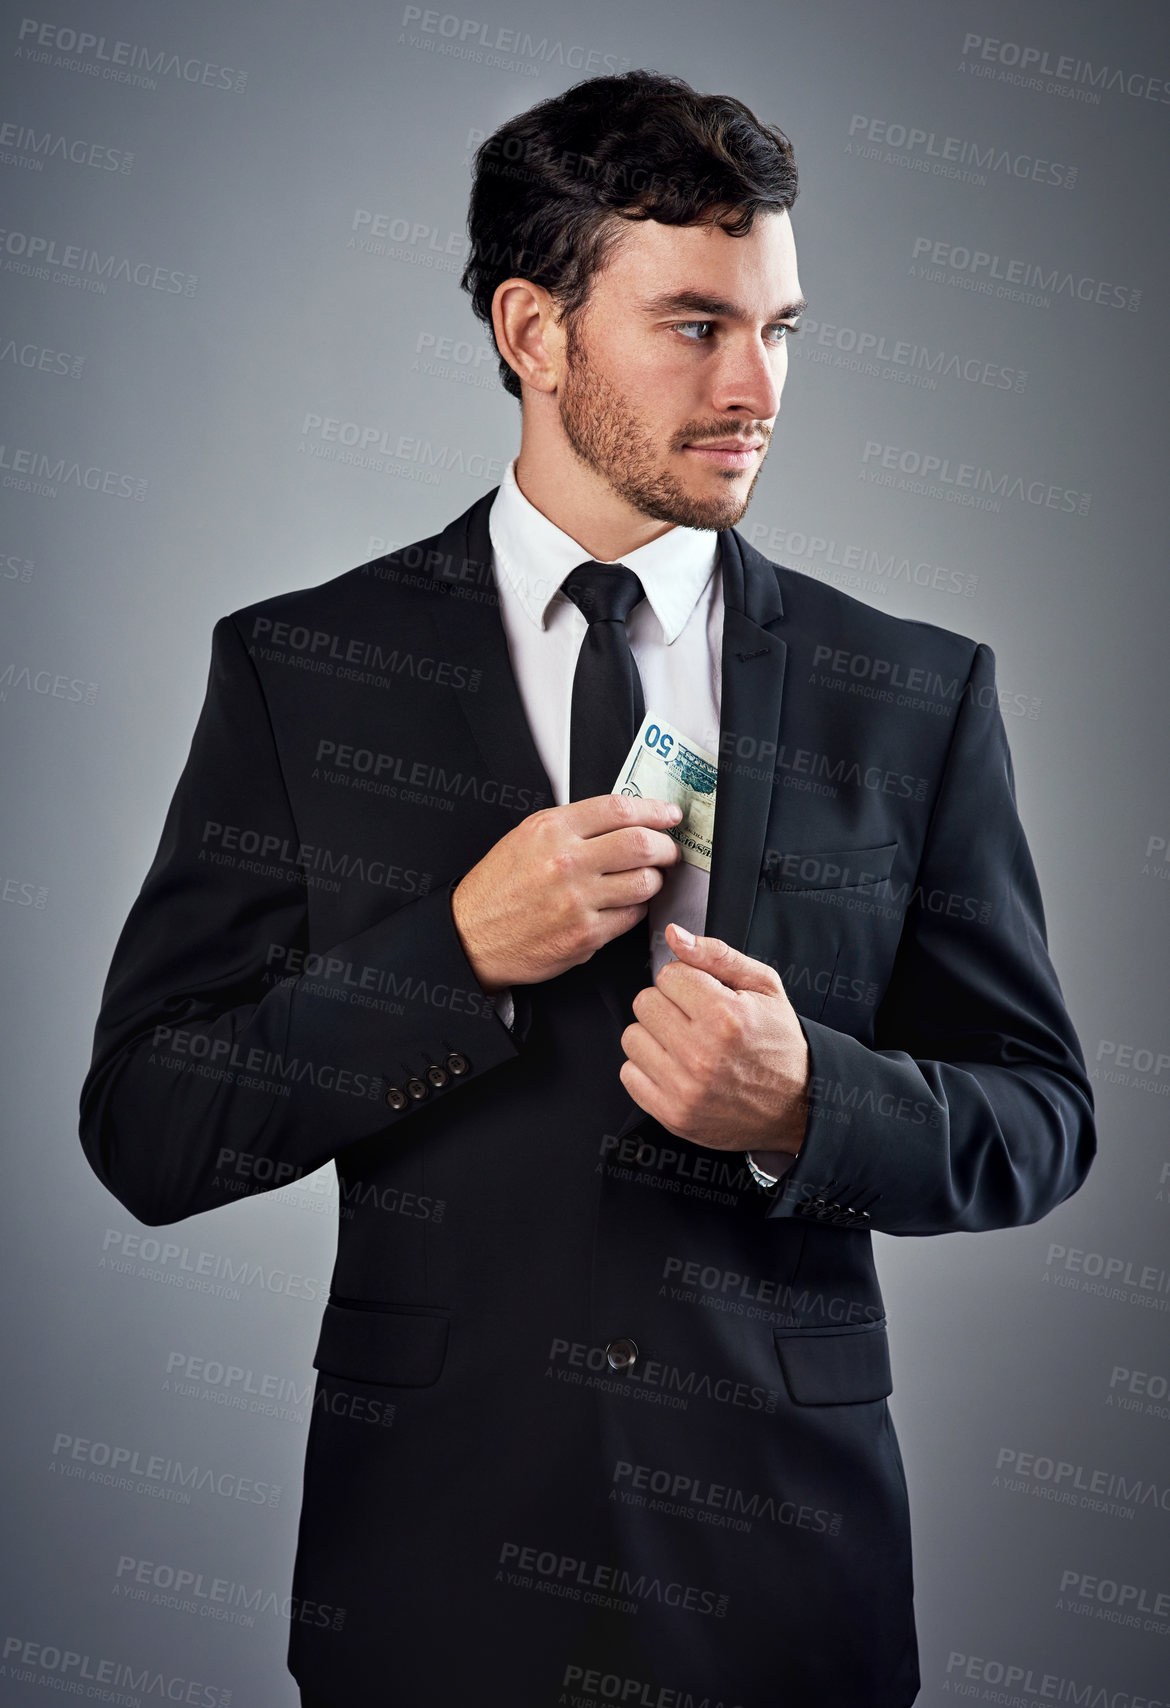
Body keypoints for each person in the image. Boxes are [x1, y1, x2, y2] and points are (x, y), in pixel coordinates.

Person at [79, 68, 1095, 1707]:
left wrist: (805, 1105)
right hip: (432, 1574)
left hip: (786, 1581)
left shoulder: (909, 692)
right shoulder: (301, 671)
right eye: (694, 325)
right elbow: (144, 1127)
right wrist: (453, 957)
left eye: (778, 330)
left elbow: (1041, 1118)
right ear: (530, 332)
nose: (754, 383)